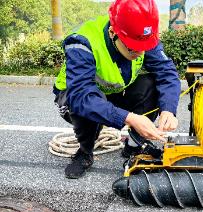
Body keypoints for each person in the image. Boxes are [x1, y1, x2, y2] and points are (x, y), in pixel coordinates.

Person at [53, 0, 181, 179]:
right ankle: (85, 151)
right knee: (86, 101)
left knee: (150, 84)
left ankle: (134, 146)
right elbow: (81, 96)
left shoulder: (141, 35)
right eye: (133, 47)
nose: (139, 52)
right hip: (75, 98)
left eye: (144, 47)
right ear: (113, 33)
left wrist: (168, 109)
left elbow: (166, 73)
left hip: (112, 94)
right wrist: (129, 118)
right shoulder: (81, 42)